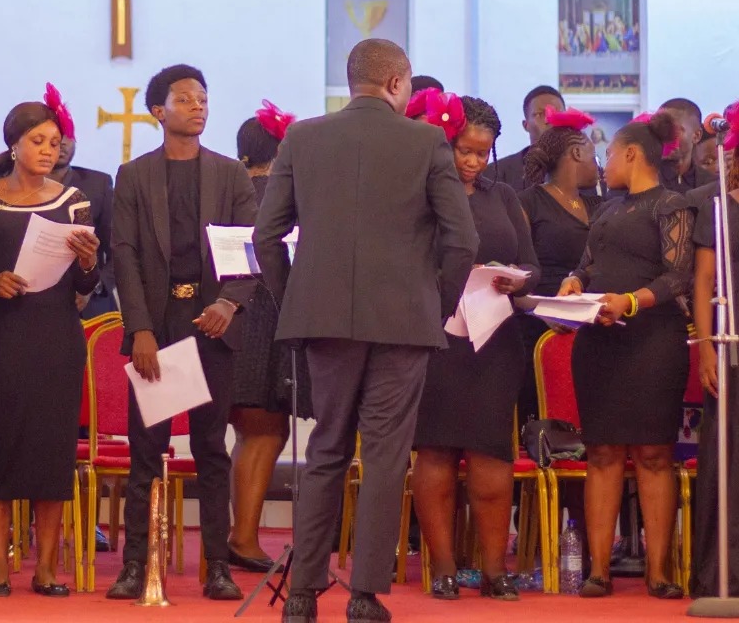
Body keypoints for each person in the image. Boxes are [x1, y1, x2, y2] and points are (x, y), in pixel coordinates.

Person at [254, 39, 478, 623]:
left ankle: (302, 594)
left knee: (326, 448)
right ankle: (364, 595)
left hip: (324, 319)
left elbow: (265, 236)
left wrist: (296, 298)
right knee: (384, 456)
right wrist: (435, 306)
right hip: (404, 321)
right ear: (398, 83)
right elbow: (462, 240)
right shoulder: (425, 142)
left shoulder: (302, 138)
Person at [107, 64, 256, 603]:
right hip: (159, 324)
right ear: (158, 110)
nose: (198, 106)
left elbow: (249, 248)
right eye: (186, 98)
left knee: (211, 447)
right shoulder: (134, 175)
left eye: (203, 98)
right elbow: (123, 255)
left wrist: (228, 303)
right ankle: (136, 565)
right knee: (147, 451)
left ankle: (217, 566)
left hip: (212, 324)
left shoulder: (230, 175)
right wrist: (140, 329)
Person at [0, 96, 100, 597]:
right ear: (14, 144)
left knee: (53, 452)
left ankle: (46, 569)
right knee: (0, 447)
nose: (48, 150)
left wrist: (88, 262)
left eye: (55, 142)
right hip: (3, 337)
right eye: (38, 140)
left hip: (58, 337)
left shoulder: (73, 201)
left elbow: (89, 282)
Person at [558, 112, 694, 600]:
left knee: (655, 453)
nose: (604, 163)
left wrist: (631, 302)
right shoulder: (606, 210)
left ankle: (659, 571)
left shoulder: (671, 204)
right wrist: (574, 282)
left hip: (653, 342)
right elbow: (588, 264)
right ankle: (599, 571)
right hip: (600, 343)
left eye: (610, 154)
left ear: (632, 154)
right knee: (602, 451)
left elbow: (678, 276)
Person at [412, 94, 540, 601]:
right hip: (437, 337)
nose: (472, 161)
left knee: (491, 454)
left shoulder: (502, 196)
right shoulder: (419, 193)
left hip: (495, 340)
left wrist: (516, 280)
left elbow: (532, 266)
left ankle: (494, 571)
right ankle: (443, 569)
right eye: (464, 150)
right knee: (436, 452)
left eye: (482, 153)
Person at [228, 101, 311, 573]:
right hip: (265, 322)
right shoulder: (280, 199)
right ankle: (243, 539)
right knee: (265, 431)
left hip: (234, 322)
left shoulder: (231, 192)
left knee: (251, 432)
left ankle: (240, 535)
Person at [517, 108, 601, 424]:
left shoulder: (598, 204)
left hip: (589, 329)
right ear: (577, 153)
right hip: (538, 328)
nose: (598, 164)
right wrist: (544, 312)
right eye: (594, 154)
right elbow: (513, 276)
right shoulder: (528, 202)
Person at [691, 114, 739, 597]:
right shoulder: (719, 208)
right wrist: (706, 346)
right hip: (729, 342)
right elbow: (703, 281)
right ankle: (721, 571)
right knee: (728, 455)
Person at [46, 85, 114, 321]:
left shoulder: (98, 184)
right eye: (56, 136)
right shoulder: (13, 186)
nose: (63, 143)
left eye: (69, 135)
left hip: (91, 308)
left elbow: (118, 250)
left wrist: (92, 287)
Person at [486, 85, 565, 192]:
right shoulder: (494, 175)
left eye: (557, 113)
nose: (549, 120)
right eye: (540, 114)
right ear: (526, 125)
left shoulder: (582, 172)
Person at [660, 97, 715, 194]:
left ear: (697, 136)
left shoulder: (712, 184)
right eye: (661, 128)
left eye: (675, 129)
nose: (666, 135)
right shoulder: (644, 180)